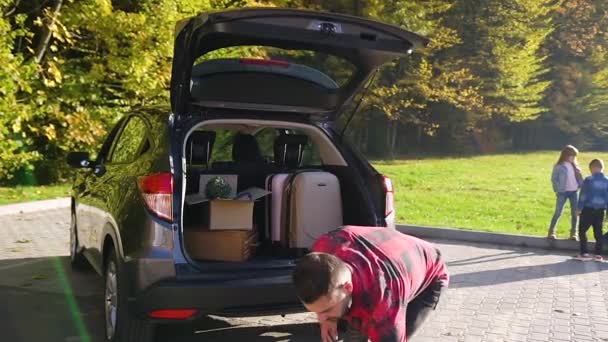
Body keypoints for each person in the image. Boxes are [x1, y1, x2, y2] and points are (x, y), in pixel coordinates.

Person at [292, 226, 449, 342]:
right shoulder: (323, 249)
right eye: (316, 312)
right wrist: (329, 319)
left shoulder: (383, 302)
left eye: (326, 310)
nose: (320, 319)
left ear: (347, 287)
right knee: (355, 327)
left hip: (430, 274)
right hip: (388, 256)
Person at [548, 145, 584, 240]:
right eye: (571, 156)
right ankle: (551, 231)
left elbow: (580, 179)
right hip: (562, 192)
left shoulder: (575, 166)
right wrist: (557, 190)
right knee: (558, 212)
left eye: (574, 156)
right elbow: (554, 179)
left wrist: (581, 185)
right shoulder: (559, 166)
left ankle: (573, 233)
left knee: (575, 213)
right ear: (565, 155)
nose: (573, 158)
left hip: (574, 192)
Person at [576, 159, 608, 261]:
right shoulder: (607, 180)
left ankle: (584, 253)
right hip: (600, 210)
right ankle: (598, 254)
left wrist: (579, 208)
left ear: (593, 168)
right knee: (598, 232)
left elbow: (583, 195)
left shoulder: (588, 180)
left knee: (582, 230)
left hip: (588, 209)